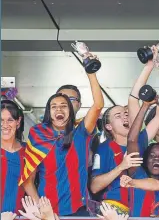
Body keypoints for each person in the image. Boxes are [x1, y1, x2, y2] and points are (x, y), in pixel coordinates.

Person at [20, 56, 104, 216]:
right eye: (54, 106)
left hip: (79, 210)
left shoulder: (81, 132)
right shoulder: (37, 134)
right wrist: (41, 210)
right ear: (48, 111)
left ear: (71, 110)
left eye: (64, 106)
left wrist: (91, 71)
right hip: (47, 211)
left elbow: (98, 105)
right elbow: (28, 181)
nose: (59, 110)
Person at [90, 105, 143, 214]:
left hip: (140, 208)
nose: (125, 117)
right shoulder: (104, 149)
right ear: (109, 126)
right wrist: (121, 167)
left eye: (126, 114)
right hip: (114, 210)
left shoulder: (141, 143)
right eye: (118, 116)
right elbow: (94, 186)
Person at [1, 100, 25, 213]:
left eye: (10, 120)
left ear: (18, 121)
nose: (5, 125)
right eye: (1, 120)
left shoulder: (28, 152)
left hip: (20, 216)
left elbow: (30, 185)